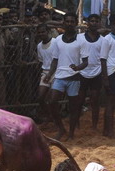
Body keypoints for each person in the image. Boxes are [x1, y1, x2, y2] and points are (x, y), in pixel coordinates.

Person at [44, 12, 89, 140]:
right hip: (59, 76)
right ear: (63, 23)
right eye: (67, 21)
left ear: (75, 23)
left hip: (74, 78)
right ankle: (61, 128)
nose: (69, 24)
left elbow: (85, 62)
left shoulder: (81, 40)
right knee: (52, 101)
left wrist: (77, 68)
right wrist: (49, 74)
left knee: (73, 107)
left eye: (72, 21)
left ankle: (71, 133)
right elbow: (55, 60)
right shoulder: (58, 40)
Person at [78, 14, 104, 132]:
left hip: (97, 73)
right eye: (91, 21)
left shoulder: (103, 40)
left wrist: (104, 76)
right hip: (81, 72)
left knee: (95, 100)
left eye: (96, 21)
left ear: (99, 23)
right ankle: (77, 123)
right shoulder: (79, 38)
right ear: (87, 22)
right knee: (79, 100)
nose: (94, 23)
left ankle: (94, 126)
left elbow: (103, 59)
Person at [36, 23, 56, 122]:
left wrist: (50, 74)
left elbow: (56, 60)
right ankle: (49, 116)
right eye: (39, 32)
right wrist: (46, 74)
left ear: (48, 32)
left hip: (56, 72)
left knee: (52, 98)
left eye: (43, 31)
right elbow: (41, 60)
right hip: (45, 72)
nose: (41, 34)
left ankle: (54, 117)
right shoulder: (39, 46)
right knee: (41, 97)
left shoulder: (55, 43)